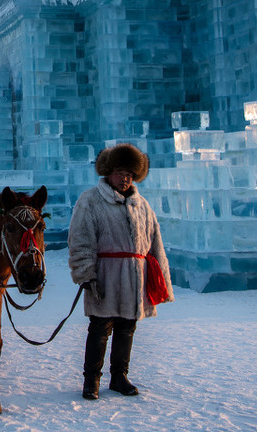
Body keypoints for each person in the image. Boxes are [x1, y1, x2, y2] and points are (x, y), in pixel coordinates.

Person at [67, 143, 173, 400]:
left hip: (135, 276)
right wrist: (86, 274)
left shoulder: (142, 205)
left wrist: (161, 282)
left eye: (129, 174)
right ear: (108, 173)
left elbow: (155, 243)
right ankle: (91, 380)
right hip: (105, 274)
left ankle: (119, 377)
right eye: (120, 173)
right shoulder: (90, 201)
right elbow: (80, 240)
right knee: (100, 328)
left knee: (127, 327)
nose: (125, 178)